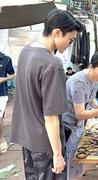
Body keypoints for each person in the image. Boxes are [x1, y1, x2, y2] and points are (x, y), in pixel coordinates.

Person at [11, 9, 85, 179]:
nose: (70, 45)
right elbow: (51, 116)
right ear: (57, 33)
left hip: (26, 136)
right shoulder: (52, 64)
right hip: (45, 143)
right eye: (70, 40)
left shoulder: (25, 51)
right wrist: (58, 155)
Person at [63, 51, 98, 179]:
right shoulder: (79, 81)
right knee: (67, 159)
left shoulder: (96, 79)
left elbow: (91, 99)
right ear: (91, 67)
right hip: (67, 124)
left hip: (79, 125)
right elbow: (80, 113)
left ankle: (75, 176)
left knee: (77, 158)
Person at [0, 52, 15, 154]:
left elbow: (13, 74)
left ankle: (1, 139)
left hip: (1, 93)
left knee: (0, 118)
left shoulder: (5, 59)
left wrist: (4, 79)